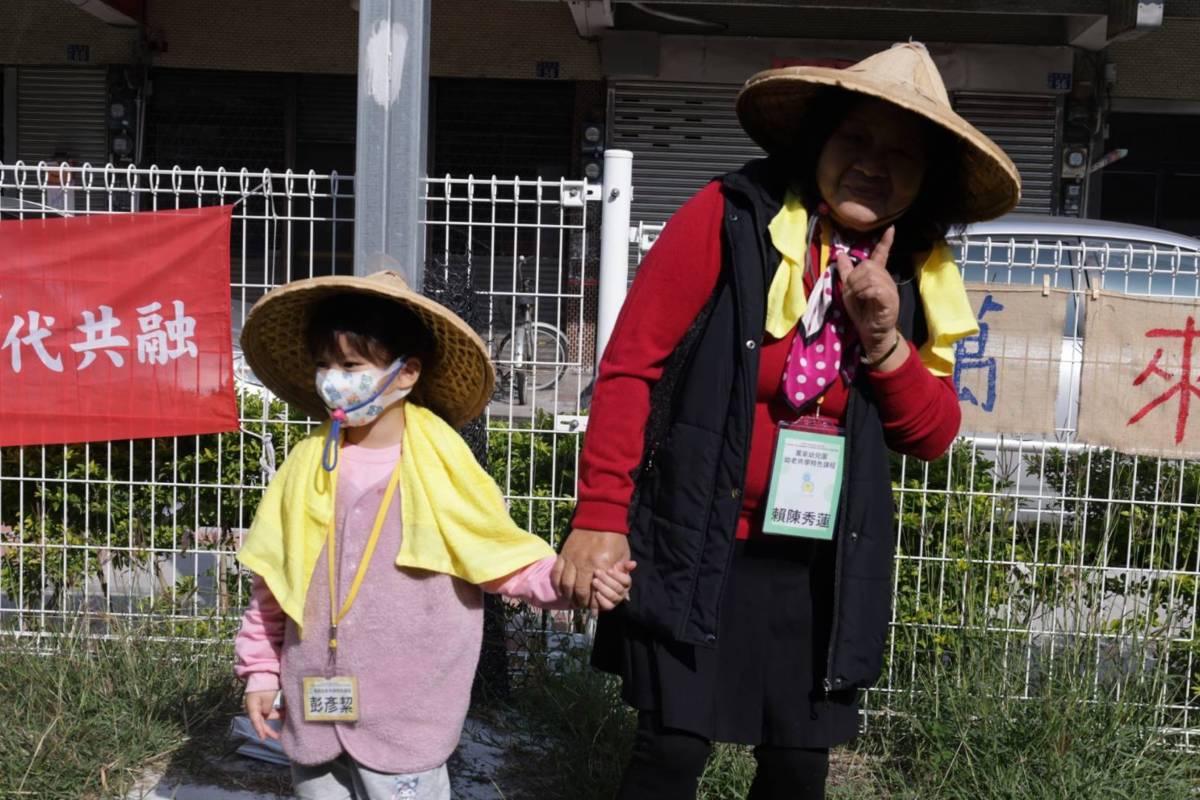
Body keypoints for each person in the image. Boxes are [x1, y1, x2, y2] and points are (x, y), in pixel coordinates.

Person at [553, 42, 1021, 799]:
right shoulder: (730, 216)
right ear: (820, 141)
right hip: (696, 540)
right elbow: (630, 367)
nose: (874, 163)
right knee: (670, 751)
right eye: (856, 139)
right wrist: (602, 512)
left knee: (799, 769)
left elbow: (930, 435)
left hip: (818, 568)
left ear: (927, 176)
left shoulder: (921, 273)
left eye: (902, 152)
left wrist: (882, 335)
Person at [232, 270, 634, 800]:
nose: (334, 379)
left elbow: (500, 557)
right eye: (325, 365)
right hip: (312, 707)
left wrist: (571, 582)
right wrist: (261, 672)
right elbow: (273, 585)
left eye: (352, 365)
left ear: (406, 373)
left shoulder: (442, 466)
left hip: (408, 721)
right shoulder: (306, 467)